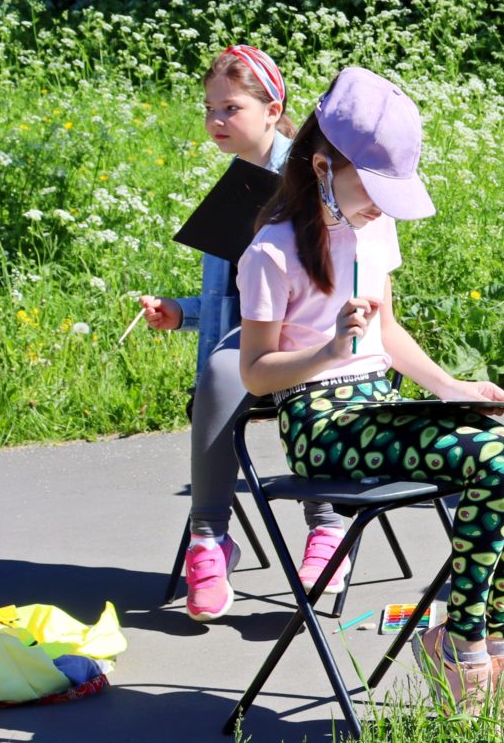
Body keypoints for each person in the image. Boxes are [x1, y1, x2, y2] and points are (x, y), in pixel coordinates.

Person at [236, 68, 504, 727]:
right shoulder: (271, 250)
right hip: (322, 423)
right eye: (372, 189)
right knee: (495, 465)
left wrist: (451, 389)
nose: (381, 206)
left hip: (379, 407)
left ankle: (497, 638)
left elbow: (387, 328)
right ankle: (458, 646)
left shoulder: (373, 231)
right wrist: (326, 351)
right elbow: (256, 374)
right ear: (322, 165)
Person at [138, 46, 348, 622]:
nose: (216, 121)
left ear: (272, 107)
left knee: (295, 370)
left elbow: (340, 273)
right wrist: (182, 312)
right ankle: (209, 541)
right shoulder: (236, 188)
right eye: (209, 109)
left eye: (230, 107)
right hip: (252, 345)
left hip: (315, 336)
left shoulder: (316, 176)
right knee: (220, 370)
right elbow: (235, 303)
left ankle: (327, 527)